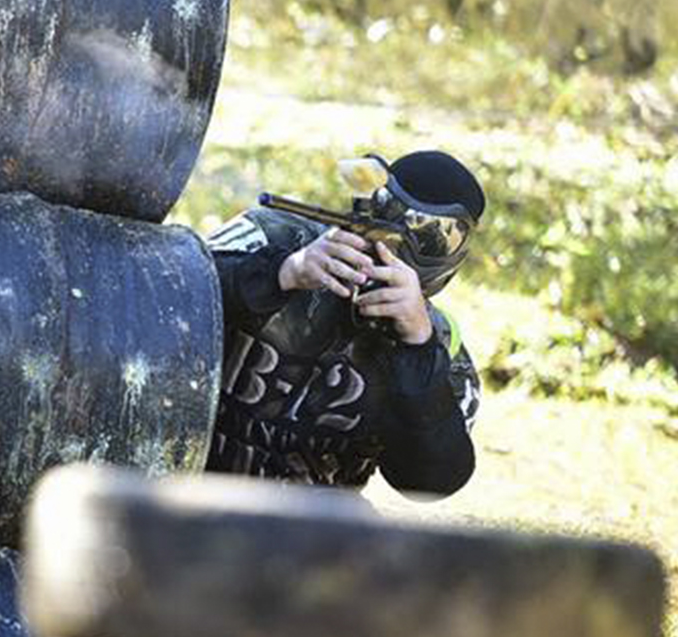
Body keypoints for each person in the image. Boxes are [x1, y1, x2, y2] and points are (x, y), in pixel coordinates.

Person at [204, 150, 483, 497]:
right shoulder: (273, 236)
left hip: (309, 536)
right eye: (391, 215)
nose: (394, 246)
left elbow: (429, 483)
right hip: (177, 491)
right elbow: (159, 290)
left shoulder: (443, 350)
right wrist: (281, 273)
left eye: (431, 235)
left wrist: (417, 350)